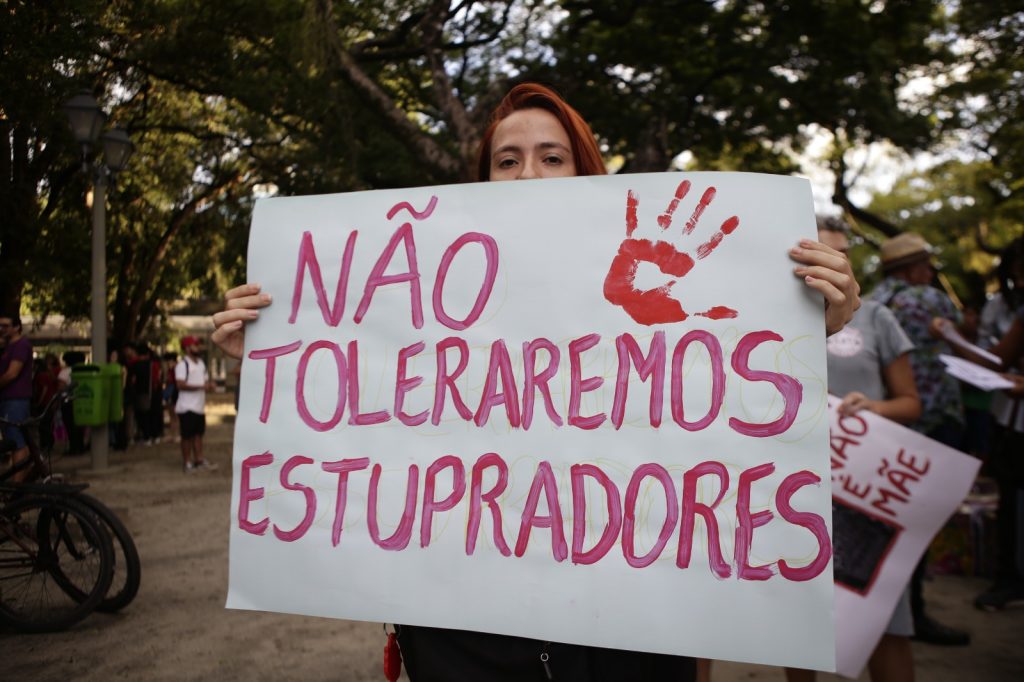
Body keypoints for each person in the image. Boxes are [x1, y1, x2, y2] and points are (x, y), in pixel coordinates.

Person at [211, 83, 862, 680]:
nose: (528, 174)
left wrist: (804, 323)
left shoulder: (648, 290)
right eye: (507, 160)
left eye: (552, 157)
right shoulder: (425, 303)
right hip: (464, 630)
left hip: (624, 626)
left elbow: (720, 410)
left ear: (587, 172)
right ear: (481, 182)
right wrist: (272, 353)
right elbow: (365, 409)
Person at [783, 218, 922, 682]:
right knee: (799, 618)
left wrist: (875, 408)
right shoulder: (771, 312)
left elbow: (911, 402)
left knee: (885, 618)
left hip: (861, 494)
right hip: (795, 494)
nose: (834, 259)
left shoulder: (878, 316)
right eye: (821, 248)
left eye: (842, 252)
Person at [868, 232, 971, 646]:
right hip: (932, 417)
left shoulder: (872, 301)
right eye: (926, 266)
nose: (929, 273)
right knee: (918, 523)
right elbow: (962, 330)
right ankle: (911, 612)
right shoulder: (927, 300)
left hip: (880, 425)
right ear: (914, 268)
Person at [933, 247, 1024, 612]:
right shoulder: (1011, 309)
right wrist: (954, 339)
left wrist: (952, 339)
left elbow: (997, 360)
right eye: (1016, 274)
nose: (1020, 282)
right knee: (1011, 500)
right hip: (1012, 423)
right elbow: (997, 359)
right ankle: (1010, 577)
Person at [0, 313, 34, 481]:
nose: (1, 329)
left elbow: (12, 374)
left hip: (15, 400)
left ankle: (17, 485)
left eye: (5, 326)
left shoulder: (21, 345)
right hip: (8, 400)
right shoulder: (8, 346)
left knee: (16, 442)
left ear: (17, 327)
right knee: (16, 440)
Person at [175, 335, 216, 473]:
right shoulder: (182, 365)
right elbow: (180, 384)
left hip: (199, 407)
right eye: (195, 345)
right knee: (187, 436)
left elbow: (204, 381)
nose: (198, 347)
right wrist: (201, 387)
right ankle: (187, 462)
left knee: (198, 434)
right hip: (187, 407)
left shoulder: (201, 364)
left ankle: (199, 459)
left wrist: (209, 385)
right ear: (187, 348)